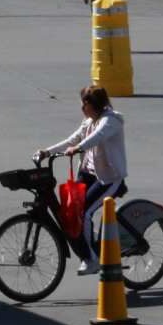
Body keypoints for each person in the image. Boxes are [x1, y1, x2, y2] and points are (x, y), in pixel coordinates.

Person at [34, 85, 127, 276]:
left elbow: (97, 137)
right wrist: (47, 152)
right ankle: (91, 241)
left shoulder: (111, 120)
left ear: (92, 105)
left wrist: (78, 148)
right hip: (89, 173)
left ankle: (91, 260)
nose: (81, 108)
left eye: (83, 104)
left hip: (108, 178)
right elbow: (72, 140)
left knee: (84, 213)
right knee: (72, 211)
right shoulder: (89, 121)